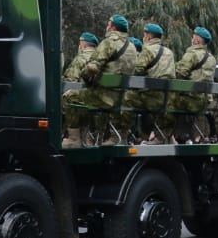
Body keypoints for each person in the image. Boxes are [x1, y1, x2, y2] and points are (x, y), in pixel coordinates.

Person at [63, 14, 137, 146]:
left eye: (108, 24)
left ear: (112, 27)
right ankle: (118, 137)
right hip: (124, 98)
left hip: (105, 97)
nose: (107, 26)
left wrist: (86, 79)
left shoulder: (109, 42)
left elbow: (92, 67)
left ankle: (75, 139)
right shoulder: (132, 46)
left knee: (69, 96)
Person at [126, 23, 176, 142]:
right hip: (169, 99)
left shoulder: (147, 50)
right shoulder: (169, 52)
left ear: (148, 36)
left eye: (144, 34)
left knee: (124, 99)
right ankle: (166, 137)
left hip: (152, 98)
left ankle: (122, 136)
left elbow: (137, 71)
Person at [174, 27, 217, 142]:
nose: (192, 38)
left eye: (193, 36)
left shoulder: (192, 54)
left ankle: (164, 136)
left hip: (190, 100)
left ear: (197, 40)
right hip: (204, 102)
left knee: (162, 102)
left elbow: (180, 74)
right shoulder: (212, 58)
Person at [60, 33, 99, 145]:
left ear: (82, 45)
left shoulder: (81, 58)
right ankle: (86, 137)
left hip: (85, 100)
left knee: (67, 96)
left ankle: (73, 138)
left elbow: (70, 81)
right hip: (101, 99)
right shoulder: (100, 59)